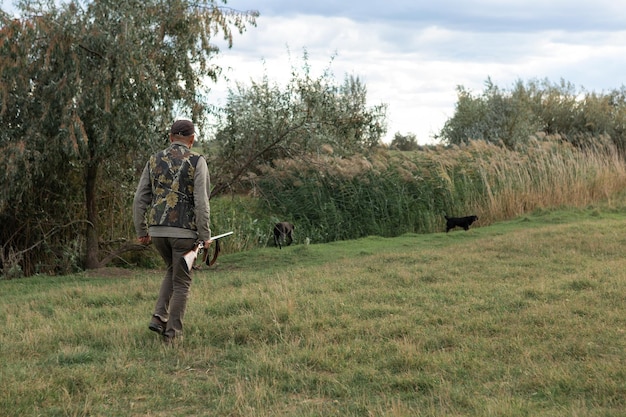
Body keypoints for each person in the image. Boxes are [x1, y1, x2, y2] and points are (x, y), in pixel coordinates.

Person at [133, 118, 211, 344]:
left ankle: (158, 317)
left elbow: (140, 198)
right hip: (184, 234)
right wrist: (205, 236)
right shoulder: (197, 161)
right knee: (183, 282)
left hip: (157, 232)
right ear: (192, 139)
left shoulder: (153, 159)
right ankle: (172, 334)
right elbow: (202, 201)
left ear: (170, 138)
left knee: (172, 269)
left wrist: (142, 230)